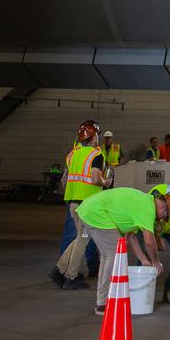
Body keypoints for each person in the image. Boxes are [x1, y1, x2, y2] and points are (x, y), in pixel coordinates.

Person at [77, 186, 170, 317]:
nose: (160, 219)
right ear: (163, 208)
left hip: (89, 209)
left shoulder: (144, 201)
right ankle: (102, 304)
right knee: (114, 255)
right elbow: (149, 241)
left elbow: (131, 236)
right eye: (164, 217)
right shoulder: (148, 209)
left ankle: (103, 299)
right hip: (96, 212)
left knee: (107, 256)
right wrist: (155, 262)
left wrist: (144, 260)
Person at [51, 120, 106, 289]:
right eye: (97, 135)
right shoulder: (96, 155)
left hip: (74, 204)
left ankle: (60, 269)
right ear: (93, 136)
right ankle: (71, 276)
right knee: (83, 240)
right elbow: (96, 179)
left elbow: (67, 179)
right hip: (87, 206)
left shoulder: (72, 154)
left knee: (79, 237)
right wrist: (107, 181)